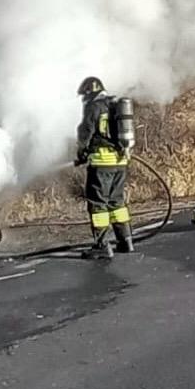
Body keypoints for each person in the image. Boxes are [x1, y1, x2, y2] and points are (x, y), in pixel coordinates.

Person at [74, 76, 133, 259]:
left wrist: (81, 153)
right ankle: (126, 241)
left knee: (98, 204)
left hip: (102, 163)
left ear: (89, 92)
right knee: (117, 203)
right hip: (120, 161)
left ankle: (102, 245)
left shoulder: (94, 107)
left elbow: (86, 133)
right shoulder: (115, 105)